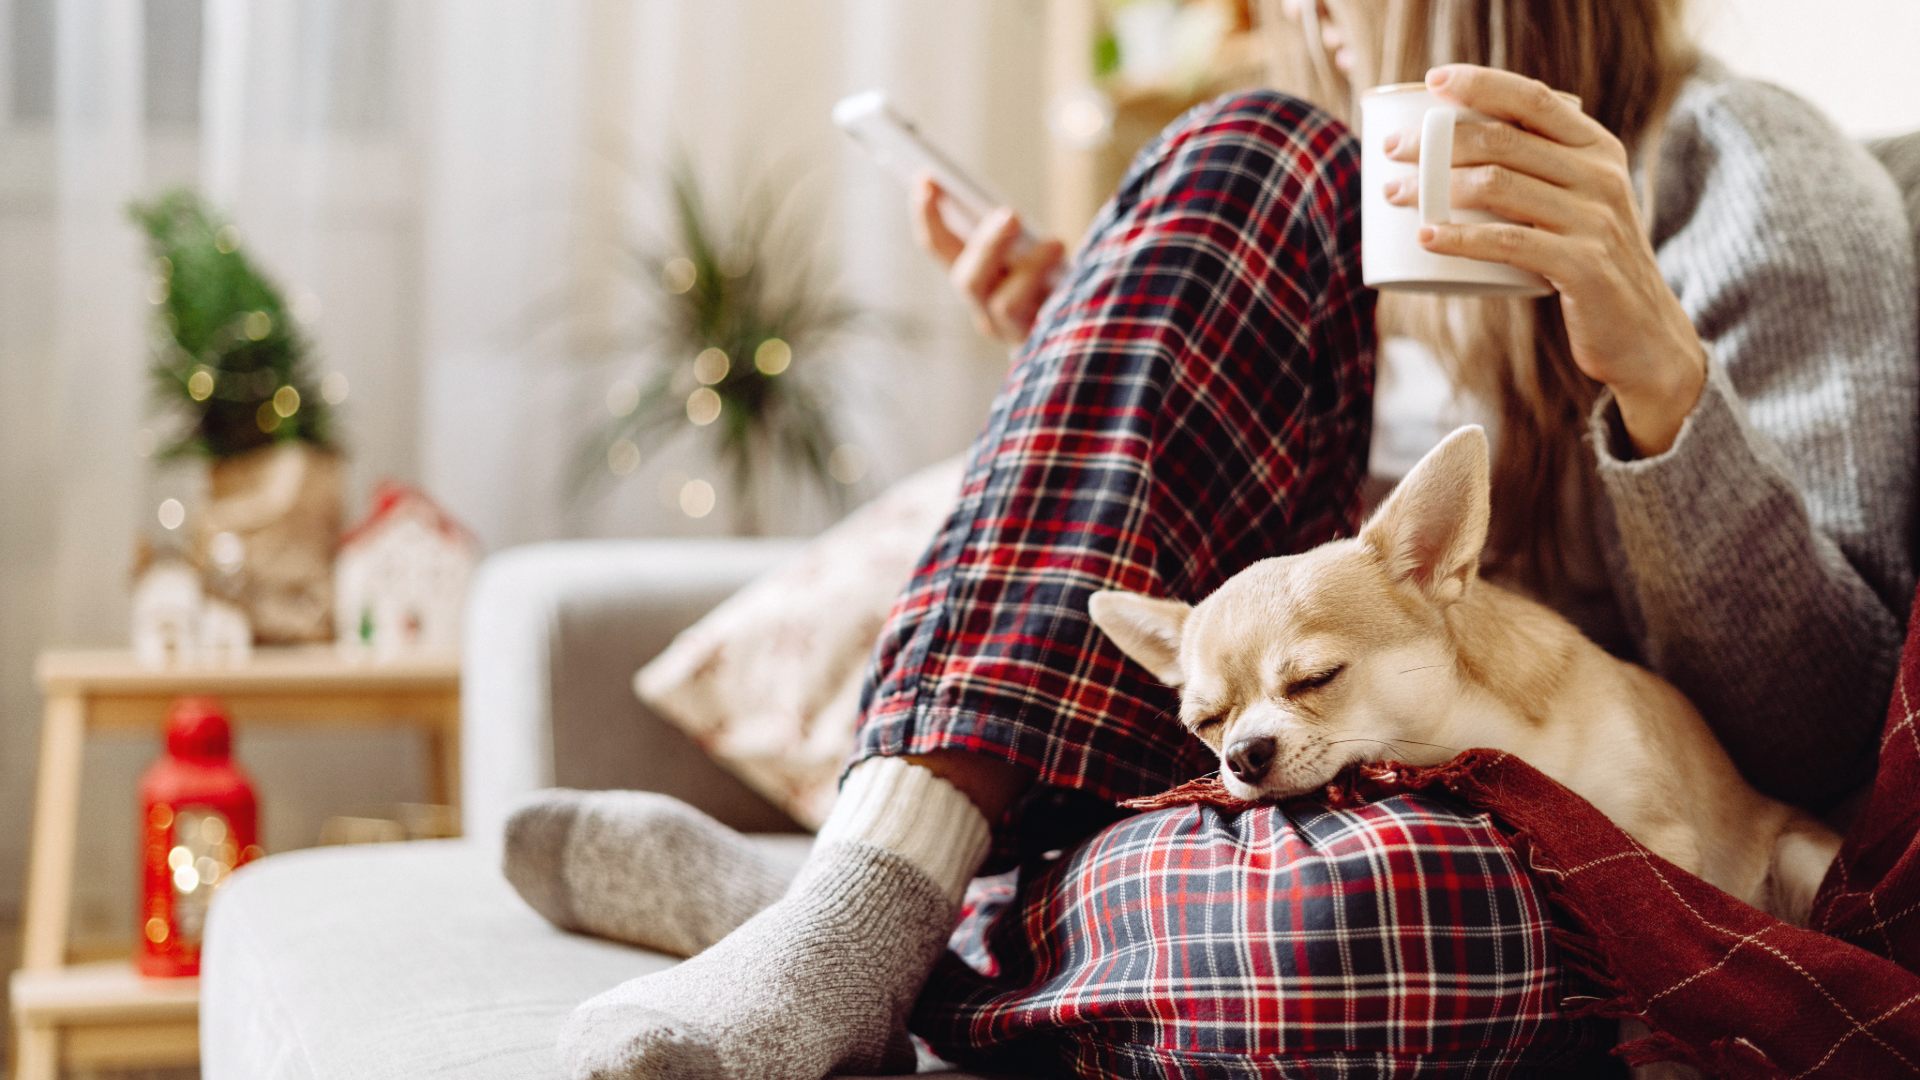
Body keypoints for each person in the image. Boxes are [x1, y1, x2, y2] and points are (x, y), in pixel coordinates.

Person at [525, 0, 1919, 1076]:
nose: (1305, 17)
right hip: (1263, 770)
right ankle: (861, 910)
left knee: (1371, 925)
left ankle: (858, 914)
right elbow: (1243, 633)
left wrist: (1662, 381)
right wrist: (1124, 353)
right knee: (1247, 152)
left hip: (1545, 834)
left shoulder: (1752, 176)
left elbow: (1826, 734)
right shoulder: (1326, 188)